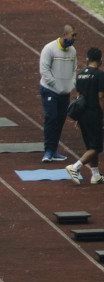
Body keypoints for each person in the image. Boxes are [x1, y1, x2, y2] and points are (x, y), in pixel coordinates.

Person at [66, 47, 104, 185]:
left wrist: (78, 117)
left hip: (82, 115)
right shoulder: (100, 75)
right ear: (100, 60)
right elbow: (101, 97)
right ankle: (75, 167)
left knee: (91, 145)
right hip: (94, 114)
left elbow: (79, 97)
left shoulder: (80, 75)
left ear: (87, 59)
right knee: (97, 147)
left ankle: (95, 175)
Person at [39, 25, 76, 163]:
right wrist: (56, 85)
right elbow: (44, 71)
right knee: (51, 117)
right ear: (65, 34)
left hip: (64, 92)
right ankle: (48, 151)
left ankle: (54, 150)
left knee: (60, 120)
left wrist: (71, 85)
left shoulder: (72, 51)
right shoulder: (49, 49)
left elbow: (74, 69)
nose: (74, 39)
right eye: (73, 35)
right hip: (50, 90)